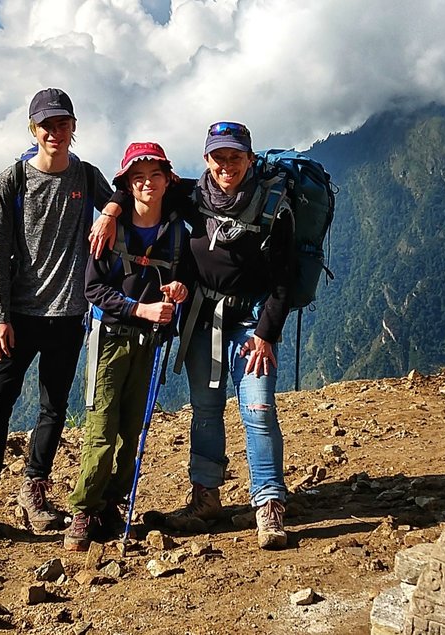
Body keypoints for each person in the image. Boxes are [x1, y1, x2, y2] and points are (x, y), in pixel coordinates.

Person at [91, 122, 295, 549]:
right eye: (218, 157)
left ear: (250, 159)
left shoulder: (275, 205)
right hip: (202, 321)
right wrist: (110, 210)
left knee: (257, 407)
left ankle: (269, 505)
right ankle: (206, 500)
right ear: (205, 160)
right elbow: (141, 185)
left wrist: (265, 335)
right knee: (205, 408)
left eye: (235, 157)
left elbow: (283, 280)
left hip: (251, 324)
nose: (226, 165)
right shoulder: (191, 196)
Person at [0, 88, 113, 534]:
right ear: (33, 130)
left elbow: (124, 202)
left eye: (63, 124)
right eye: (46, 125)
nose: (55, 132)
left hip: (69, 316)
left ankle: (33, 489)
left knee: (53, 409)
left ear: (74, 128)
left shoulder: (87, 177)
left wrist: (109, 211)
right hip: (16, 317)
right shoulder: (11, 180)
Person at [64, 142, 189, 551]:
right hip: (111, 340)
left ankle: (111, 505)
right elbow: (93, 289)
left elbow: (183, 279)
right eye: (138, 178)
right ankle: (84, 510)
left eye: (155, 176)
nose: (147, 184)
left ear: (168, 179)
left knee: (131, 428)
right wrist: (142, 310)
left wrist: (178, 289)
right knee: (102, 427)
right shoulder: (111, 230)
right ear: (127, 184)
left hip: (147, 343)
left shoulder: (175, 231)